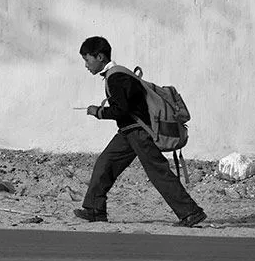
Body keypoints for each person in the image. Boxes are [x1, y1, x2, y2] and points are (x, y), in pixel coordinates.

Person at [74, 36, 207, 227]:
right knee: (105, 164)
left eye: (87, 60)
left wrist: (98, 112)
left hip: (139, 132)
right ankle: (95, 209)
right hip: (128, 132)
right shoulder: (118, 74)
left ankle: (190, 212)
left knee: (158, 172)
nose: (86, 65)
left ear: (100, 57)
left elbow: (122, 109)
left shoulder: (116, 77)